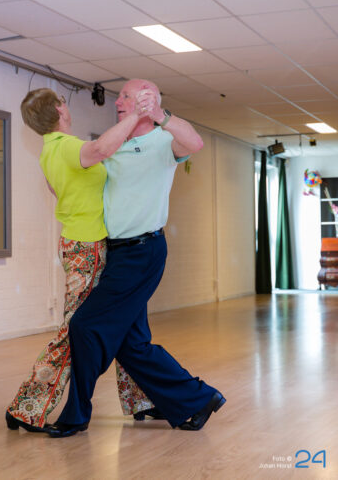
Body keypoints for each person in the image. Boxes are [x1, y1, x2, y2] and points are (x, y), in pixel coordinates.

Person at [46, 79, 225, 438]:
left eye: (125, 96)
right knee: (132, 345)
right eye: (119, 97)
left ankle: (76, 415)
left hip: (142, 251)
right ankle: (197, 398)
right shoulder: (115, 142)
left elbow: (195, 142)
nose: (118, 102)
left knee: (84, 325)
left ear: (147, 101)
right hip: (115, 252)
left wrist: (161, 115)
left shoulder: (163, 141)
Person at [6, 88, 162, 434]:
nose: (67, 105)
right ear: (59, 109)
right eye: (63, 100)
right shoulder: (66, 146)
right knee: (74, 329)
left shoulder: (50, 151)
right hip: (87, 246)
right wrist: (138, 114)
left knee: (124, 322)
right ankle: (26, 408)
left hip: (89, 241)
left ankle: (142, 399)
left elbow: (58, 190)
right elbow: (103, 149)